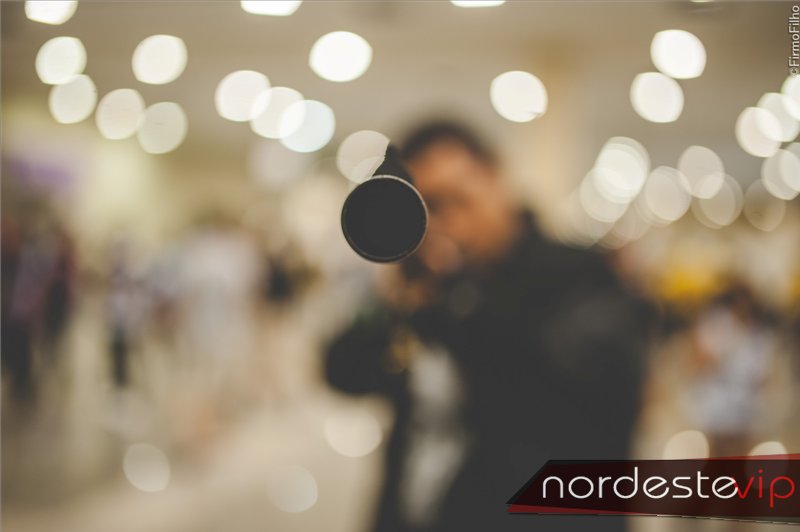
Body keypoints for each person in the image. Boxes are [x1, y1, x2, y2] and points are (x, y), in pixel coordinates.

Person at [325, 121, 654, 532]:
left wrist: (457, 303)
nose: (445, 223)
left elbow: (581, 389)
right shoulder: (427, 290)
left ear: (497, 179)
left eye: (456, 200)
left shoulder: (576, 273)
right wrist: (396, 302)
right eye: (428, 207)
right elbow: (343, 372)